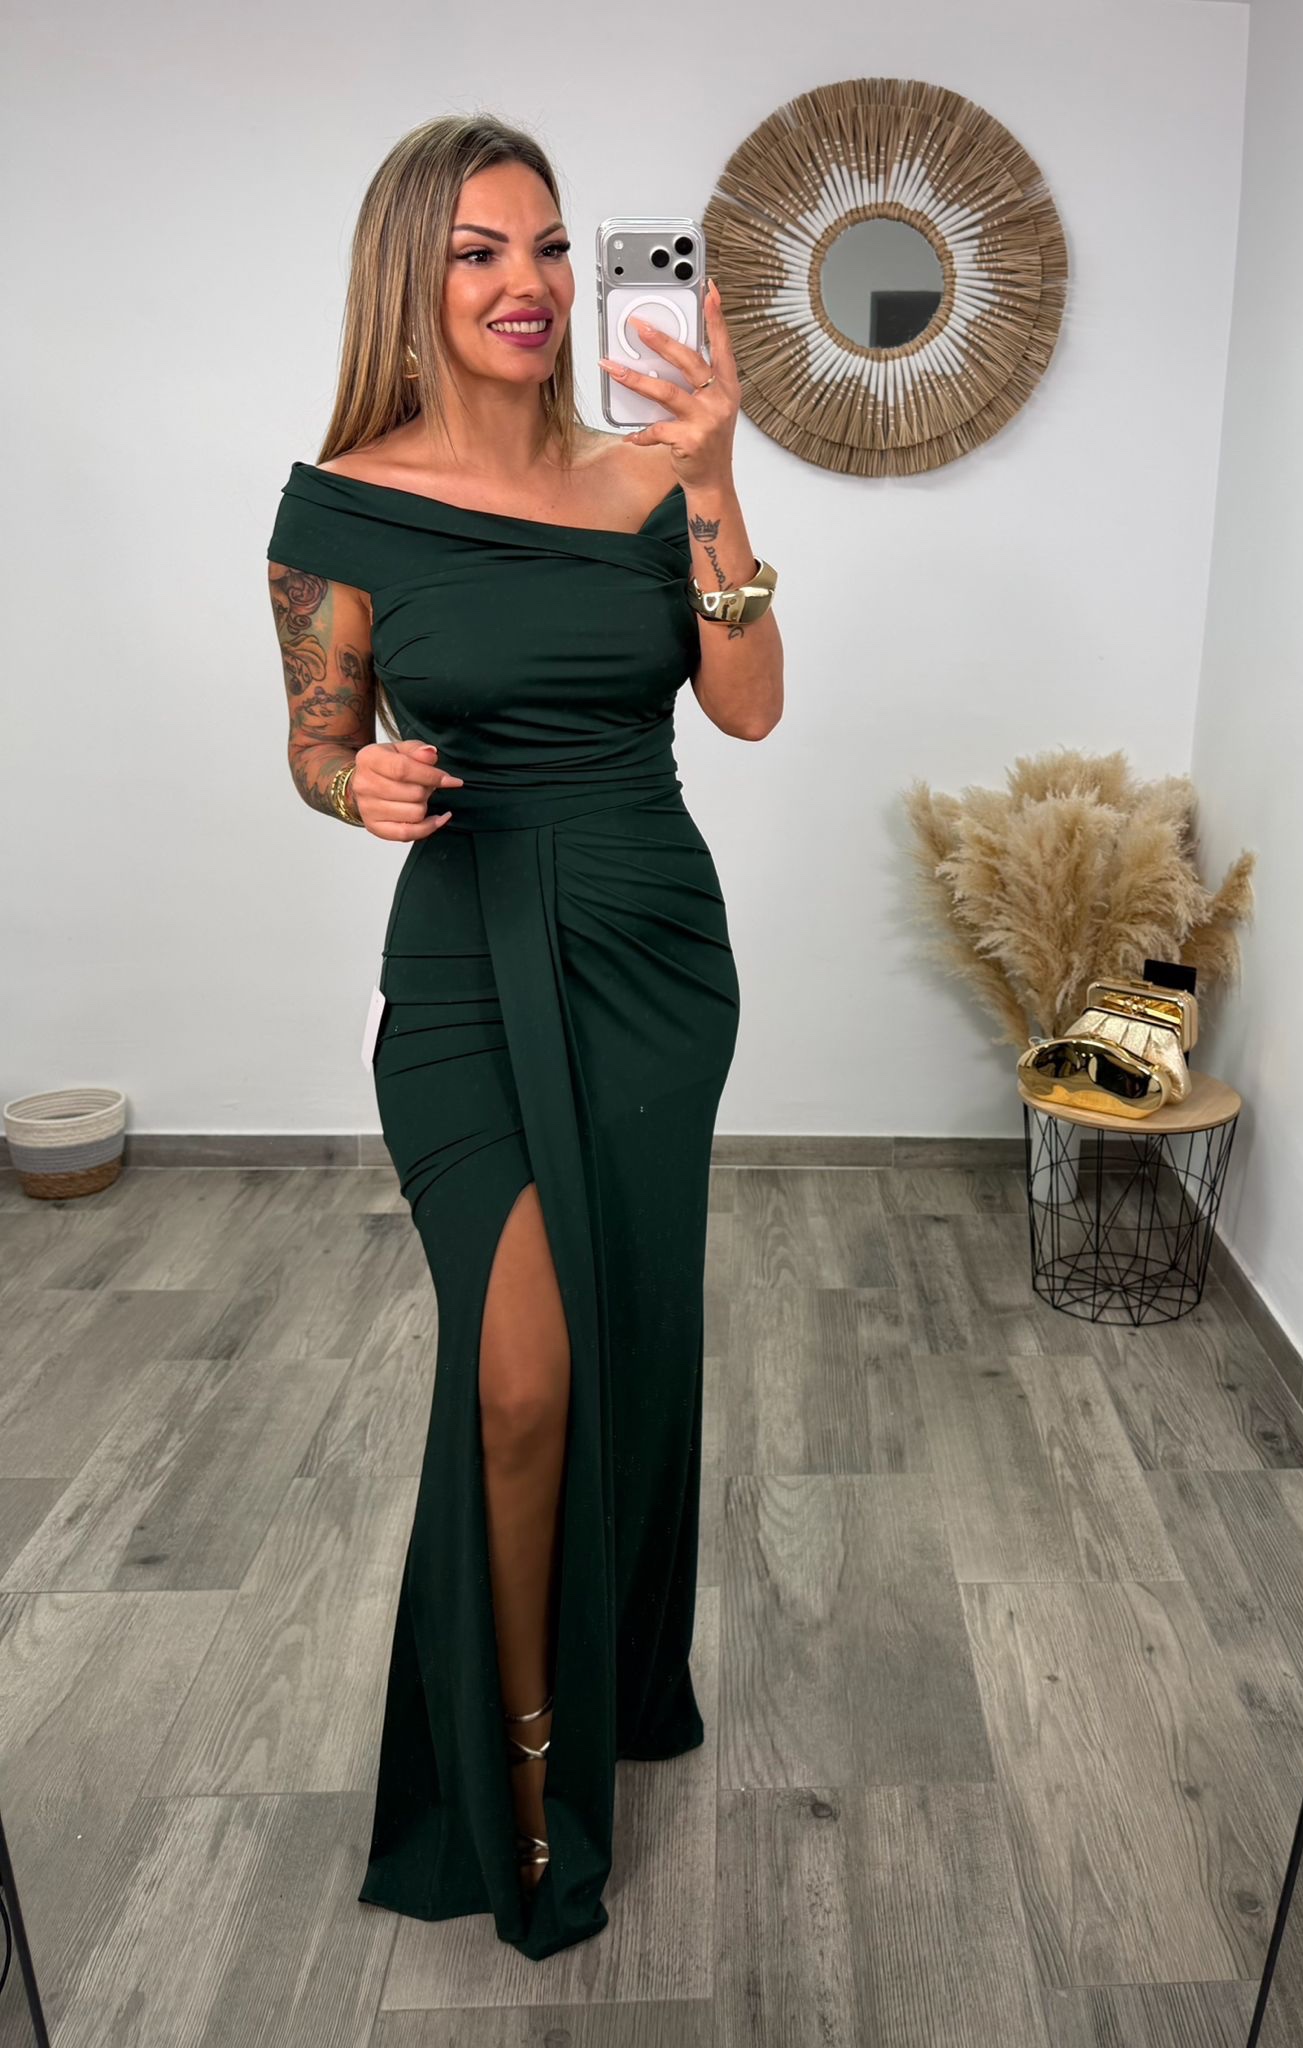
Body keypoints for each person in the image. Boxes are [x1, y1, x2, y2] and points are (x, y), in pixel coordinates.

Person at [264, 113, 783, 1962]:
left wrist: (713, 478)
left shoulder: (650, 475)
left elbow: (748, 707)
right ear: (408, 276)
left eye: (551, 246)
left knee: (623, 1341)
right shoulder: (337, 507)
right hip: (467, 958)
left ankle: (606, 1689)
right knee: (517, 1383)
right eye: (480, 250)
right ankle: (520, 1777)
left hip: (651, 951)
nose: (528, 284)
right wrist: (355, 786)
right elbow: (316, 737)